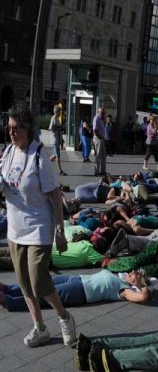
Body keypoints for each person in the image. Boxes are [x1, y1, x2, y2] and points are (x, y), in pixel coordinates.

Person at [2, 104, 77, 348]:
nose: (12, 132)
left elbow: (55, 195)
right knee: (24, 282)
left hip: (38, 228)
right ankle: (40, 328)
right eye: (9, 127)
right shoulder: (8, 153)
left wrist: (59, 231)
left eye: (17, 128)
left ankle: (64, 317)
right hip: (15, 230)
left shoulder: (38, 155)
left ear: (27, 128)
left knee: (38, 280)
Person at [0, 269, 152, 310]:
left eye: (136, 275)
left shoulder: (124, 290)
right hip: (77, 279)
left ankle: (10, 301)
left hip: (80, 291)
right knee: (42, 281)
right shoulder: (121, 277)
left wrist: (142, 286)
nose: (133, 272)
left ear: (136, 283)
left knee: (45, 296)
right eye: (134, 271)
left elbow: (142, 297)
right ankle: (10, 289)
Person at [92, 107, 109, 177]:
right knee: (98, 156)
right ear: (98, 112)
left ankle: (103, 171)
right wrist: (100, 138)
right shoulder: (96, 119)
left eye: (104, 113)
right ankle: (96, 172)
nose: (103, 114)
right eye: (102, 113)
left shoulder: (102, 119)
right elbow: (95, 131)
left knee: (103, 156)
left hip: (102, 139)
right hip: (98, 139)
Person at [50, 104, 65, 175]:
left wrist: (61, 139)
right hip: (55, 140)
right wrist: (59, 128)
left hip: (57, 140)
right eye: (59, 112)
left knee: (54, 155)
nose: (60, 113)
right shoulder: (54, 118)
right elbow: (50, 128)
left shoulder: (57, 119)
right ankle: (60, 171)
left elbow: (58, 130)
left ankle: (44, 165)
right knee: (58, 156)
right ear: (56, 112)